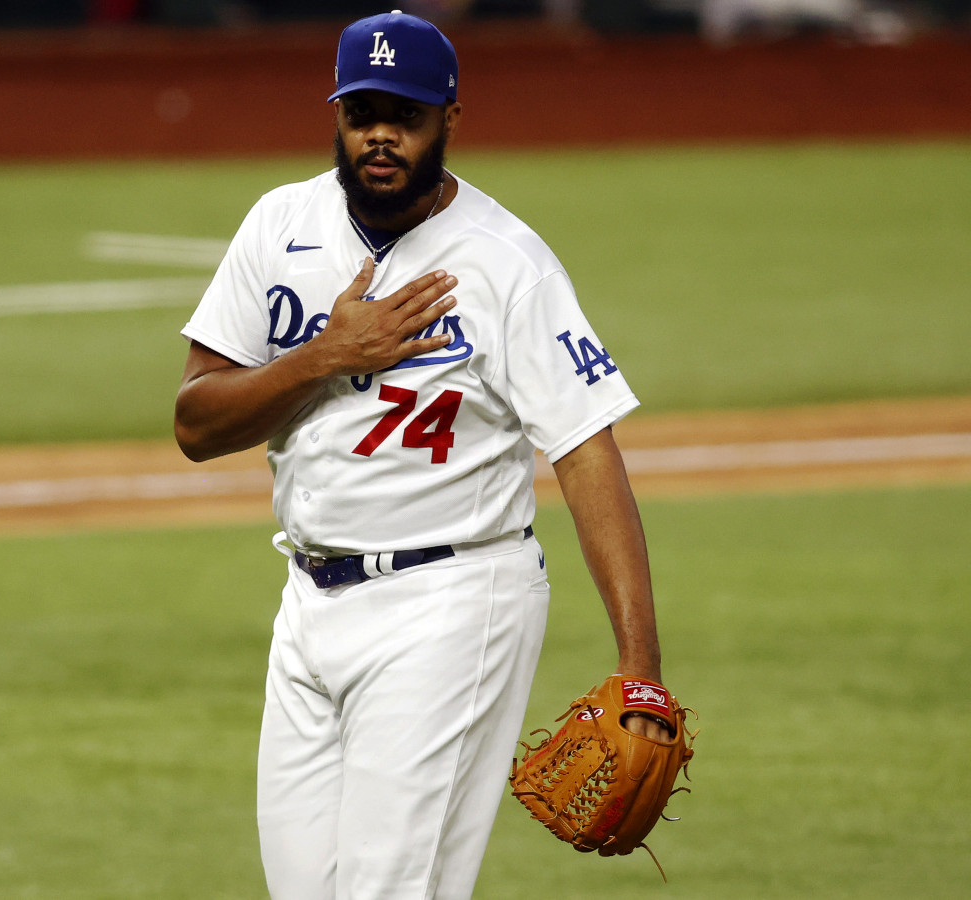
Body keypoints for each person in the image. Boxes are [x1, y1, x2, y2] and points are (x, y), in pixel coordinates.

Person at [174, 10, 668, 899]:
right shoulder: (278, 223)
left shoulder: (505, 263)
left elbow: (586, 449)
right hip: (307, 609)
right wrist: (327, 355)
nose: (381, 138)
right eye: (363, 113)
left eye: (404, 117)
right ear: (336, 114)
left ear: (449, 119)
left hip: (451, 601)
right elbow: (197, 424)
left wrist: (642, 668)